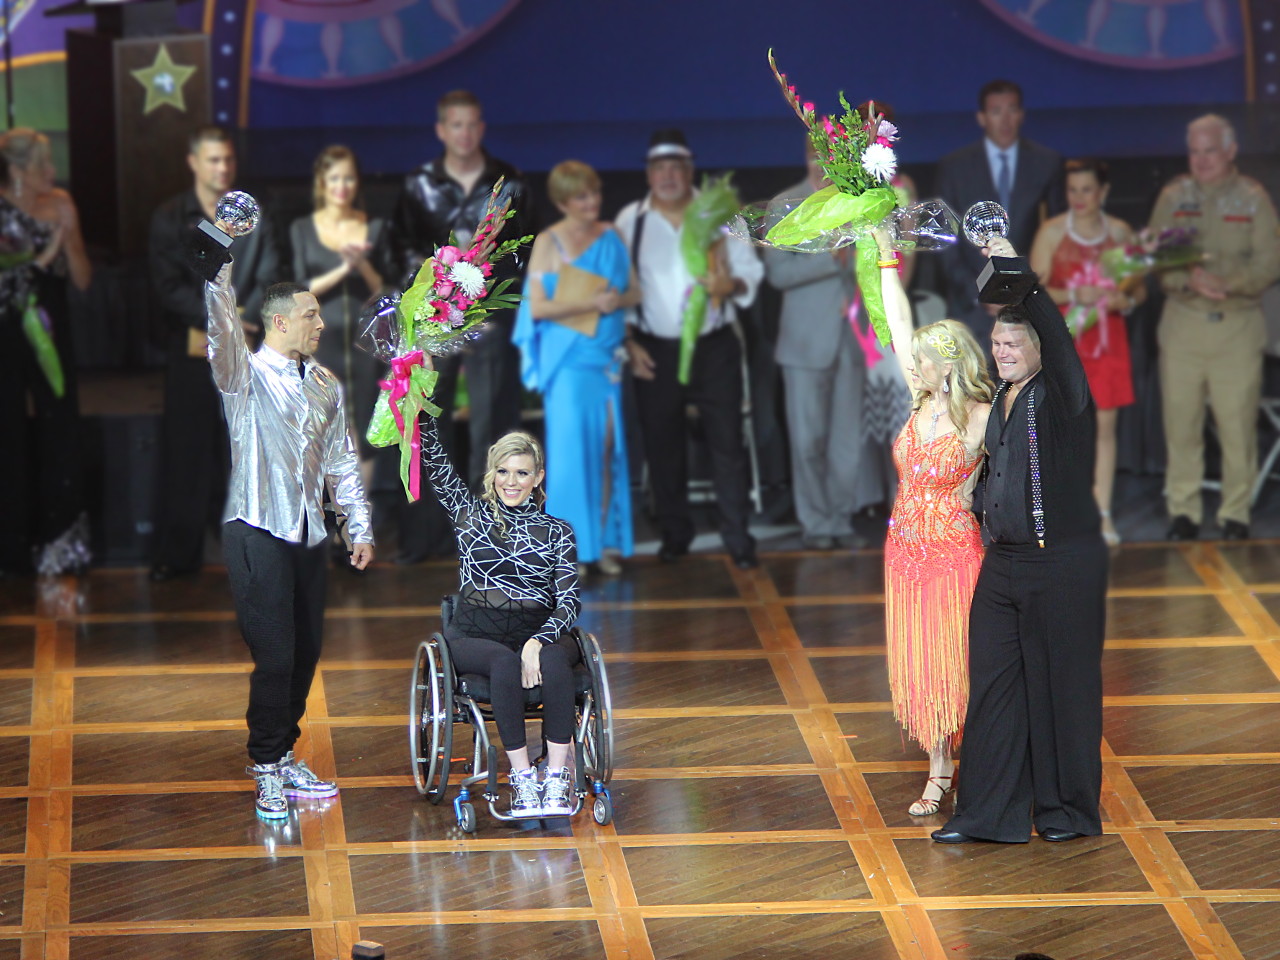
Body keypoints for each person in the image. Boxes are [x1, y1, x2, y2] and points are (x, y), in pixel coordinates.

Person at [932, 238, 1109, 845]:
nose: (1003, 353)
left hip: (1057, 564)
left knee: (1062, 691)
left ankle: (1065, 813)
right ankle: (987, 815)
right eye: (998, 345)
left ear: (1038, 350)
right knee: (995, 690)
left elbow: (1058, 340)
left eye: (1015, 344)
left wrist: (1020, 276)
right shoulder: (1000, 400)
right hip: (1002, 566)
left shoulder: (1061, 396)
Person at [207, 262, 374, 820]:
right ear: (278, 323)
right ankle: (266, 765)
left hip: (307, 533)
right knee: (275, 653)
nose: (321, 323)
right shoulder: (245, 376)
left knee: (306, 651)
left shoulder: (326, 383)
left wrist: (359, 525)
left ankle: (282, 752)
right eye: (311, 314)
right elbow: (224, 333)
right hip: (255, 528)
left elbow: (342, 460)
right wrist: (218, 280)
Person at [418, 358, 582, 817]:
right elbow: (431, 454)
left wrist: (538, 639)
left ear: (538, 478)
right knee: (504, 662)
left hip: (539, 624)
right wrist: (423, 385)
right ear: (492, 475)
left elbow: (569, 600)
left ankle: (556, 774)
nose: (512, 482)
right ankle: (523, 778)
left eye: (522, 473)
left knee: (549, 657)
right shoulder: (469, 515)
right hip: (477, 629)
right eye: (504, 472)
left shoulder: (557, 531)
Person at [875, 227, 994, 817]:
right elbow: (896, 323)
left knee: (957, 658)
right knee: (920, 660)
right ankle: (938, 767)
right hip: (904, 552)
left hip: (953, 552)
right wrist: (885, 256)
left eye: (921, 360)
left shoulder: (979, 415)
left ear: (945, 365)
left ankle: (982, 761)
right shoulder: (918, 400)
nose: (911, 365)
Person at [391, 89, 535, 563]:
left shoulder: (509, 182)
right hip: (436, 328)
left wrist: (490, 311)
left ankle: (494, 541)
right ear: (441, 130)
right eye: (456, 125)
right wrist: (433, 302)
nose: (465, 134)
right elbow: (401, 253)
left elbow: (521, 256)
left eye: (473, 124)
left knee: (491, 431)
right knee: (430, 429)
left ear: (482, 127)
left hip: (490, 328)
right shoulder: (418, 184)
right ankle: (430, 536)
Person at [615, 129, 764, 569]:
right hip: (654, 350)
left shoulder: (719, 213)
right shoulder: (631, 221)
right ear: (648, 173)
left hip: (713, 346)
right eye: (659, 168)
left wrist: (728, 284)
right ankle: (675, 533)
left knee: (727, 445)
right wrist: (627, 342)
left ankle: (737, 539)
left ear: (690, 169)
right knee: (662, 446)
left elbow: (750, 274)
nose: (668, 176)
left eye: (676, 167)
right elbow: (616, 286)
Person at [148, 126, 281, 580]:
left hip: (246, 356)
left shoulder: (255, 217)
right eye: (212, 160)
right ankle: (180, 554)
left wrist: (244, 319)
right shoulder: (171, 217)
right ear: (193, 163)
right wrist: (219, 318)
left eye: (227, 159)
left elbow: (268, 273)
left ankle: (250, 560)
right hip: (192, 353)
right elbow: (167, 287)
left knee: (245, 455)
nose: (221, 168)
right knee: (187, 453)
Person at [1148, 113, 1280, 542]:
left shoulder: (1252, 198)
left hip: (1236, 329)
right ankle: (1183, 512)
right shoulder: (1174, 197)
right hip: (1183, 327)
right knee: (1181, 425)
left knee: (1237, 426)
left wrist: (1229, 283)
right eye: (1195, 151)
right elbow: (1161, 262)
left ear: (1230, 151)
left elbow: (1269, 262)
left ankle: (1235, 514)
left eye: (1210, 151)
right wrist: (1190, 279)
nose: (1201, 160)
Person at [513, 160, 639, 577]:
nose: (593, 202)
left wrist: (613, 302)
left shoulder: (611, 235)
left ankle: (600, 543)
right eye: (583, 196)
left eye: (595, 193)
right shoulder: (550, 242)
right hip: (568, 362)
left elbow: (633, 291)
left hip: (605, 358)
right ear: (564, 200)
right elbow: (540, 307)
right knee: (570, 458)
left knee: (605, 449)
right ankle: (569, 551)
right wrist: (591, 302)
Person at [1030, 158, 1144, 547]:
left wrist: (1122, 299)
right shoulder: (1051, 232)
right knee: (1062, 428)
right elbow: (1033, 290)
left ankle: (1103, 514)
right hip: (1068, 339)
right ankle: (1063, 513)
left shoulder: (1120, 232)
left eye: (1087, 190)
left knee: (1106, 430)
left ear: (1104, 192)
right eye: (1073, 190)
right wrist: (1077, 294)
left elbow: (1137, 290)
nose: (1079, 198)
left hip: (1109, 340)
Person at [0, 128, 93, 577]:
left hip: (50, 330)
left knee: (60, 426)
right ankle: (11, 548)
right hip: (5, 330)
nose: (54, 173)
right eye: (44, 166)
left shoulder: (60, 203)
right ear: (17, 171)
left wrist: (70, 237)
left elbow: (82, 280)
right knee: (7, 431)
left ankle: (63, 548)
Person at [763, 138, 864, 549]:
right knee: (807, 441)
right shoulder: (785, 205)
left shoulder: (858, 200)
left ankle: (840, 521)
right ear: (807, 157)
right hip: (804, 342)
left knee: (846, 441)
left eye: (833, 158)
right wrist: (832, 257)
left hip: (852, 339)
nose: (825, 165)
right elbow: (778, 274)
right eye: (819, 157)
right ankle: (816, 524)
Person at [935, 80, 1064, 344]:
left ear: (1022, 115)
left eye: (1012, 110)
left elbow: (1057, 234)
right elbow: (946, 244)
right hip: (971, 310)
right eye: (996, 112)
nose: (1005, 120)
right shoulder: (954, 168)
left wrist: (1021, 291)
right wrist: (985, 293)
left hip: (1030, 305)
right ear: (981, 118)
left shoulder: (1046, 163)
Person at [291, 144, 392, 461]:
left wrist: (362, 265)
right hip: (321, 341)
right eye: (334, 179)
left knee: (364, 429)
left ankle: (363, 508)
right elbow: (300, 288)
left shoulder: (374, 227)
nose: (342, 187)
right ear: (322, 182)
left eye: (348, 179)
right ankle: (324, 508)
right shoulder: (302, 229)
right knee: (322, 428)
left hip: (364, 343)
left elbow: (386, 289)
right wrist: (343, 269)